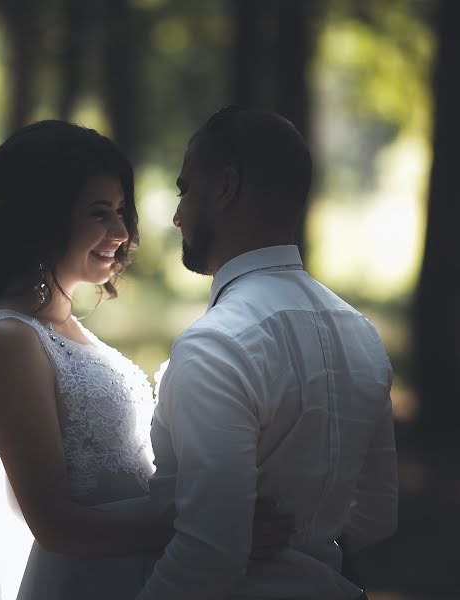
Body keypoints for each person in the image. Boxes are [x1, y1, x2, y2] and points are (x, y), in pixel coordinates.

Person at [0, 119, 286, 600]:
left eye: (122, 212)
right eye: (100, 214)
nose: (122, 232)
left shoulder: (71, 333)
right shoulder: (10, 342)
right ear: (45, 219)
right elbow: (51, 522)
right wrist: (194, 526)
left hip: (136, 572)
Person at [135, 107, 399, 600]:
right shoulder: (362, 333)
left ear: (225, 188)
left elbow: (207, 555)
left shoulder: (216, 345)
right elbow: (378, 514)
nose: (176, 214)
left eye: (184, 189)